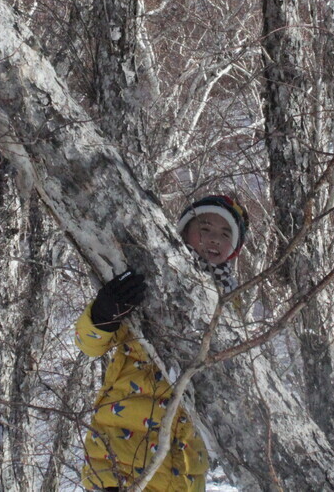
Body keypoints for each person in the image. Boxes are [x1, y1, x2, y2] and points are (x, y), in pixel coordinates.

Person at [75, 195, 249, 492]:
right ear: (181, 232)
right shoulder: (152, 281)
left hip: (183, 471)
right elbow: (90, 345)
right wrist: (104, 314)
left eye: (225, 233)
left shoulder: (230, 303)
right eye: (204, 228)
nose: (214, 239)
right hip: (118, 462)